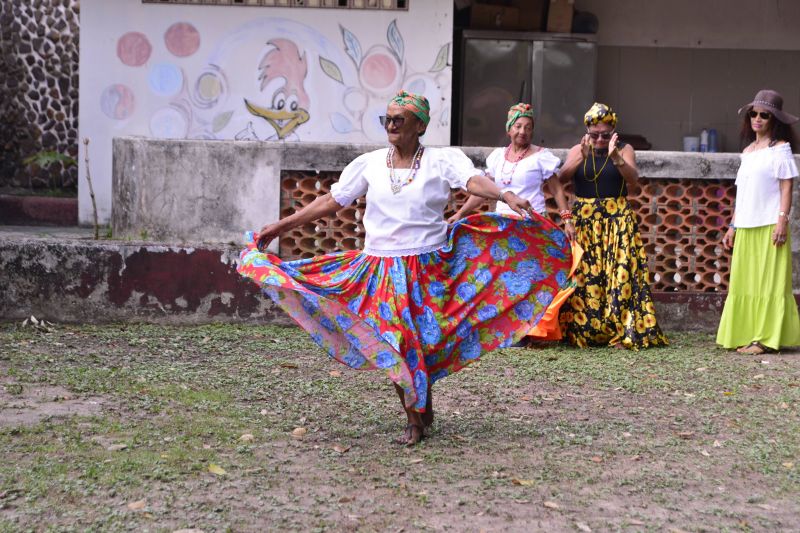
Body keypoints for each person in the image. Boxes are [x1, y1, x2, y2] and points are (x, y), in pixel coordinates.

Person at [238, 90, 572, 446]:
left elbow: (471, 181)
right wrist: (279, 226)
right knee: (396, 340)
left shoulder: (441, 160)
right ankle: (414, 418)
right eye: (388, 119)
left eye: (400, 119)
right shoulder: (369, 163)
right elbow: (332, 200)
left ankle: (421, 397)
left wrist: (504, 195)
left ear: (420, 125)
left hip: (430, 268)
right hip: (380, 269)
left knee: (426, 343)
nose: (392, 125)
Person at [448, 102, 578, 342]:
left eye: (528, 127)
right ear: (509, 129)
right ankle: (504, 330)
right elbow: (481, 192)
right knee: (501, 279)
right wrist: (461, 213)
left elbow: (557, 191)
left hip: (531, 225)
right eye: (518, 126)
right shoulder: (497, 157)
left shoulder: (541, 157)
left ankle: (530, 331)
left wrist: (566, 219)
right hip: (502, 227)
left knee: (530, 278)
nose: (523, 132)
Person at [557, 102, 668, 349]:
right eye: (594, 134)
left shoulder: (624, 149)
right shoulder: (579, 148)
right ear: (587, 132)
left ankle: (621, 331)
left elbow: (633, 180)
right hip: (584, 220)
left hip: (617, 218)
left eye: (605, 135)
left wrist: (615, 156)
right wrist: (580, 158)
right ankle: (588, 331)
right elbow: (562, 178)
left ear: (613, 132)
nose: (599, 139)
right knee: (586, 276)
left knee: (620, 275)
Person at [717, 89, 800, 354]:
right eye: (754, 113)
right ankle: (746, 333)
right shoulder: (748, 151)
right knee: (745, 282)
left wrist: (782, 222)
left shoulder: (781, 150)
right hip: (746, 226)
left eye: (765, 115)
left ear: (774, 120)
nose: (758, 119)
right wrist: (732, 225)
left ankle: (764, 339)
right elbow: (743, 194)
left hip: (769, 226)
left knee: (768, 283)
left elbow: (787, 188)